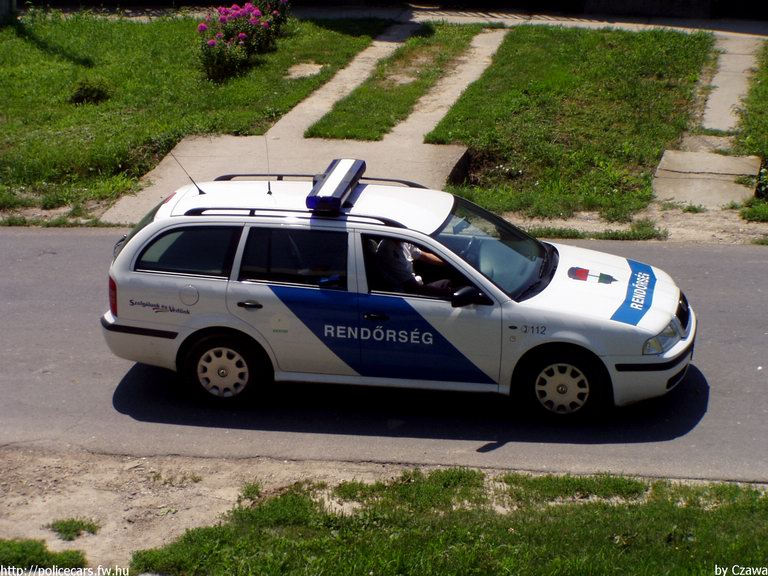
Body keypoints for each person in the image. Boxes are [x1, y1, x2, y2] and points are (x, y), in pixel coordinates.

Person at [375, 238, 453, 297]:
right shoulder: (388, 252)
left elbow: (424, 256)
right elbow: (412, 287)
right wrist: (448, 293)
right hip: (405, 296)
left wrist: (449, 262)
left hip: (414, 287)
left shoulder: (402, 240)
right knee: (447, 287)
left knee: (447, 283)